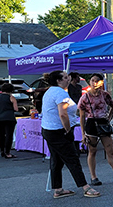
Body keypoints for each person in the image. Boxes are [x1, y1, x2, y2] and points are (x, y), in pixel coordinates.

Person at [40, 70, 99, 199]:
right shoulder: (60, 93)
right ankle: (85, 186)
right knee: (72, 158)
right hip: (58, 131)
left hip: (49, 130)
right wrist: (67, 130)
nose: (68, 79)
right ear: (58, 81)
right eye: (66, 77)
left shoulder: (50, 91)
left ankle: (58, 189)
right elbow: (63, 113)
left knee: (56, 160)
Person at [78, 73, 113, 186]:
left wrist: (109, 117)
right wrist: (83, 134)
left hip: (103, 123)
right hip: (91, 123)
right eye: (92, 80)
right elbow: (82, 117)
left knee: (110, 150)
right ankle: (93, 177)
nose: (94, 83)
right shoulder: (85, 97)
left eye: (97, 80)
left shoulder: (105, 95)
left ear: (102, 82)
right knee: (92, 151)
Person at [0, 82, 18, 158]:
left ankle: (2, 151)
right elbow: (16, 109)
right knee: (9, 135)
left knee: (1, 134)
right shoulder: (11, 97)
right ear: (11, 90)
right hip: (9, 118)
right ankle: (8, 152)